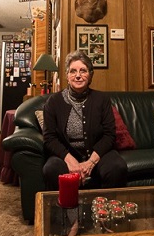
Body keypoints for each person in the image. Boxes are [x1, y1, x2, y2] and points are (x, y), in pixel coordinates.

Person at [42, 50, 127, 190]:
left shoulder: (102, 100)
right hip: (66, 155)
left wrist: (90, 162)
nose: (78, 76)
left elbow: (109, 135)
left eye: (83, 71)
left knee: (117, 167)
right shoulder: (53, 102)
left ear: (90, 75)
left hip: (97, 154)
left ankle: (106, 210)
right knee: (51, 169)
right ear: (67, 76)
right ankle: (62, 211)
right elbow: (49, 138)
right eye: (73, 71)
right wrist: (71, 161)